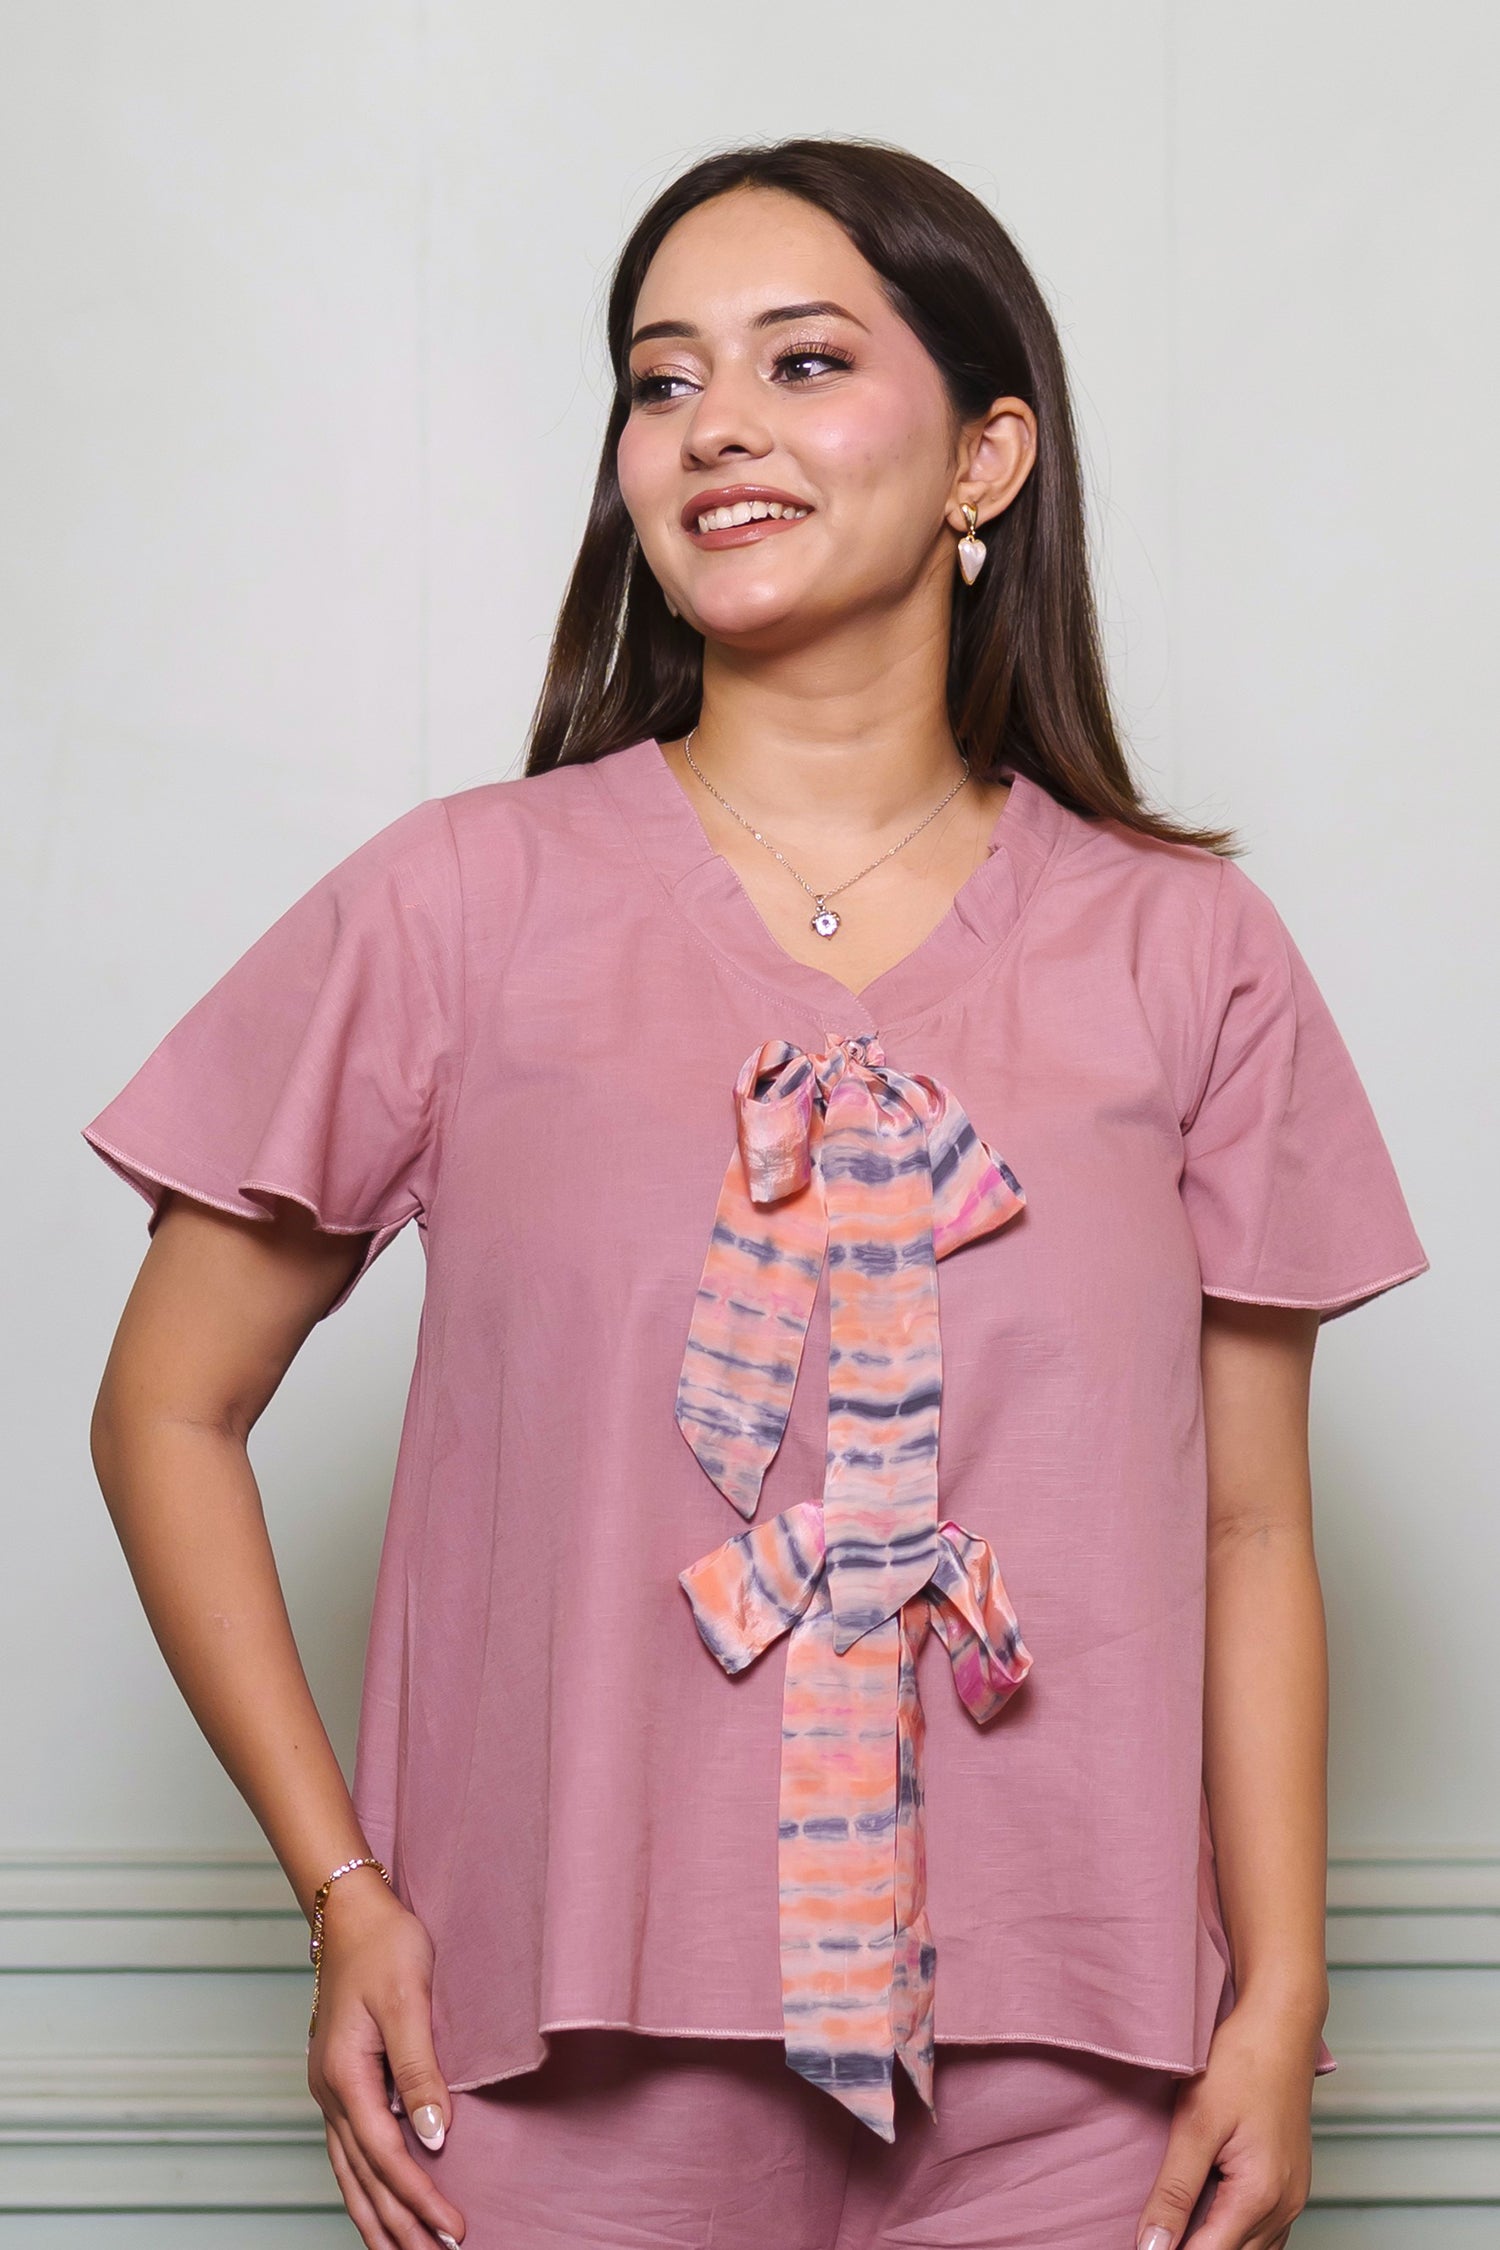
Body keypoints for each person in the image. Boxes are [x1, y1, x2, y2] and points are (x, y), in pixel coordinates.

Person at [82, 135, 1429, 2250]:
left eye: (803, 362)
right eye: (660, 377)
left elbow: (1254, 1525)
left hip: (1083, 2087)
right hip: (557, 2059)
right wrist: (343, 1894)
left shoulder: (1192, 954)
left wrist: (1281, 1998)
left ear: (986, 458)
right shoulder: (457, 906)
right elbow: (164, 1408)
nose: (714, 423)